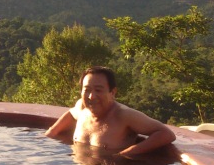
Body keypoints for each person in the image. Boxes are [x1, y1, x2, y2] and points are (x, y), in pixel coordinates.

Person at [45, 66, 176, 157]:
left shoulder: (124, 115)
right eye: (87, 90)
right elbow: (70, 113)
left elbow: (166, 134)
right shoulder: (81, 109)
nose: (91, 96)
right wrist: (51, 133)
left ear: (112, 92)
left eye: (98, 90)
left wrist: (126, 154)